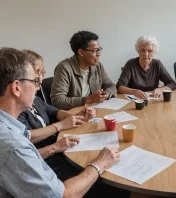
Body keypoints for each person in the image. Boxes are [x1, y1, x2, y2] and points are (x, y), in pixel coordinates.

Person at [0, 48, 120, 197]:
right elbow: (63, 195)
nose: (39, 84)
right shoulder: (14, 146)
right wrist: (99, 164)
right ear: (16, 88)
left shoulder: (10, 127)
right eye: (34, 80)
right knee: (112, 186)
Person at [18, 50, 96, 181]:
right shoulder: (18, 107)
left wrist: (77, 115)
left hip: (58, 147)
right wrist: (59, 126)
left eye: (43, 71)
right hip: (46, 160)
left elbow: (52, 111)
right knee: (91, 169)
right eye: (39, 71)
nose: (41, 76)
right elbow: (26, 137)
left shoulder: (35, 98)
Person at [51, 30, 117, 110]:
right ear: (81, 52)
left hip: (93, 111)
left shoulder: (97, 66)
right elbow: (58, 101)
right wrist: (88, 99)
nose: (99, 54)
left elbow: (110, 85)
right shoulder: (64, 68)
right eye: (95, 50)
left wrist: (107, 94)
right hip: (73, 115)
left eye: (99, 49)